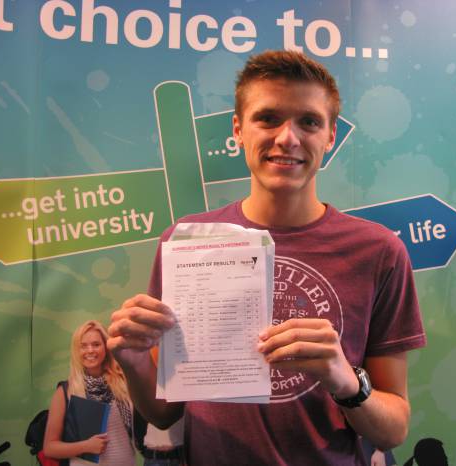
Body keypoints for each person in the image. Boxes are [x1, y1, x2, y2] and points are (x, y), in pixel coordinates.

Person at [107, 50, 426, 465]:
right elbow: (164, 413)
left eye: (309, 122)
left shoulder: (379, 252)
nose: (288, 138)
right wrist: (134, 362)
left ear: (330, 136)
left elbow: (393, 429)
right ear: (238, 130)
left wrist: (346, 381)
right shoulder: (185, 243)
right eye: (268, 118)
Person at [43, 320, 135, 465]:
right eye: (83, 346)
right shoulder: (66, 391)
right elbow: (49, 448)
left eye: (96, 344)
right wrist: (86, 446)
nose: (90, 350)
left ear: (106, 347)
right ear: (76, 351)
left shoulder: (123, 385)